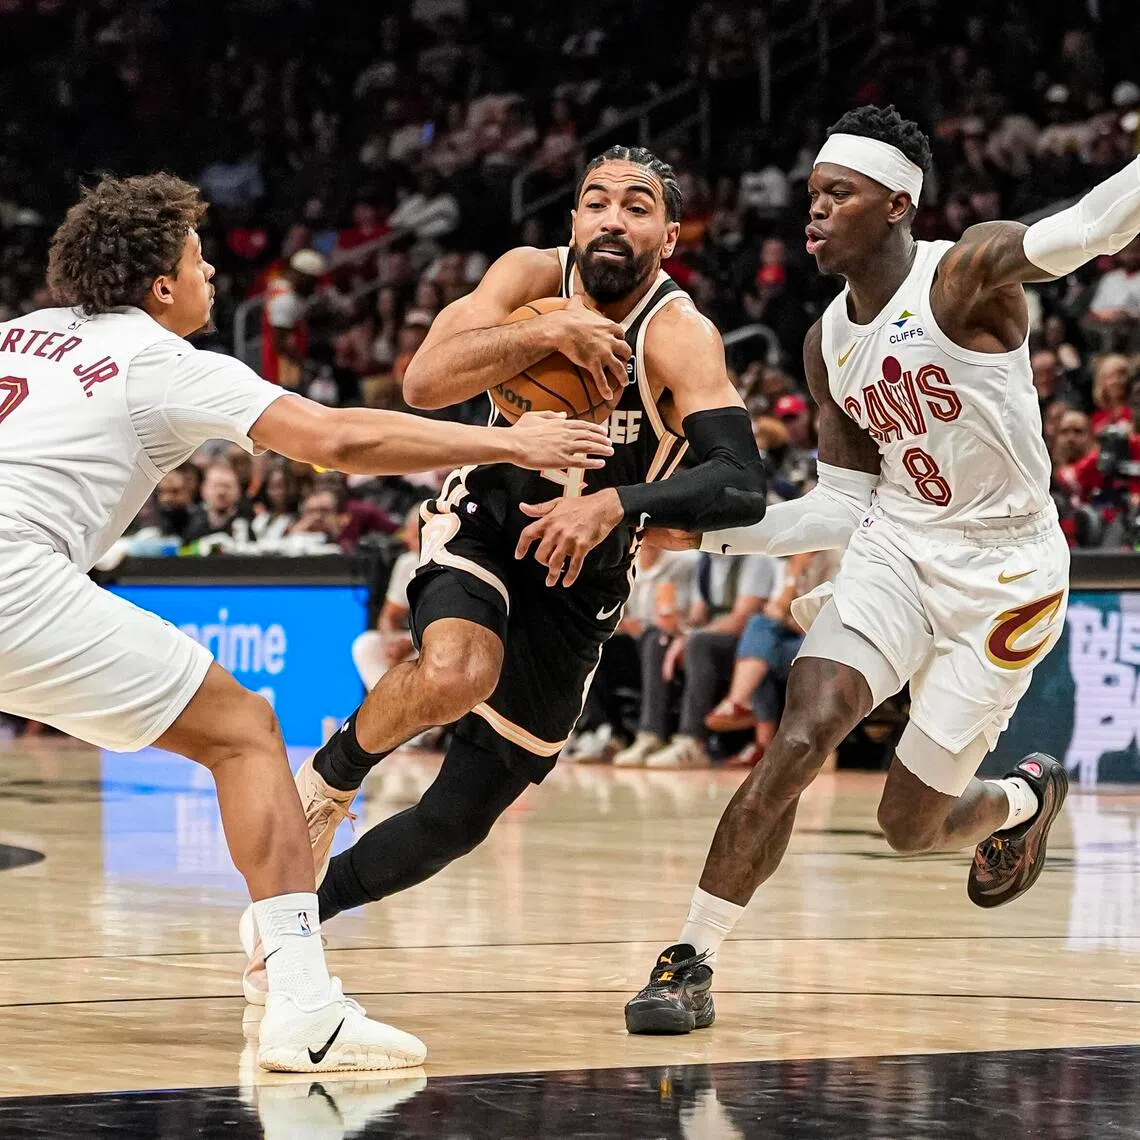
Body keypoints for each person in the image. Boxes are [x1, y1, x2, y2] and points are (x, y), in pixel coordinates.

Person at [10, 172, 611, 1071]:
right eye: (197, 257)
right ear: (160, 286)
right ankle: (303, 1007)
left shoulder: (19, 335)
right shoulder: (161, 360)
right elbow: (336, 442)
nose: (212, 271)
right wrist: (509, 441)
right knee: (246, 733)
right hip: (15, 574)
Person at [624, 102, 1140, 1034]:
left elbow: (1098, 225)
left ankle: (1024, 796)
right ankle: (689, 959)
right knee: (802, 733)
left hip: (1006, 573)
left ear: (897, 204)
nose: (812, 212)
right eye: (812, 194)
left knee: (910, 827)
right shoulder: (829, 342)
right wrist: (696, 537)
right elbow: (839, 507)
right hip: (898, 546)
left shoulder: (969, 272)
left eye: (837, 194)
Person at [241, 145, 769, 999]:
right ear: (572, 222)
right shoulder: (527, 273)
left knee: (455, 821)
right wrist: (545, 328)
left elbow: (743, 483)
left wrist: (618, 504)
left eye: (636, 207)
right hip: (483, 520)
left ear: (669, 236)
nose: (611, 218)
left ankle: (303, 911)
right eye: (595, 202)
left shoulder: (679, 334)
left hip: (582, 582)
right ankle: (330, 779)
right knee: (456, 669)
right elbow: (423, 381)